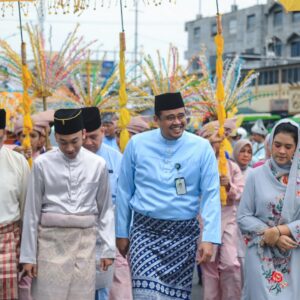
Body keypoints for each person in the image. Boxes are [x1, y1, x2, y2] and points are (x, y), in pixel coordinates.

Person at [116, 92, 221, 299]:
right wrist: (121, 232)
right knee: (146, 295)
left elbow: (211, 194)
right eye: (170, 117)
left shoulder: (201, 148)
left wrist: (208, 238)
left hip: (183, 236)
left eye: (181, 116)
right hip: (145, 233)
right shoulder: (137, 144)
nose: (177, 122)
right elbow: (124, 190)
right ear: (156, 120)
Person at [20, 108, 115, 300]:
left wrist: (108, 249)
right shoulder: (41, 164)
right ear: (56, 138)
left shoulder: (98, 164)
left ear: (83, 134)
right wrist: (28, 257)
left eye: (74, 141)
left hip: (84, 244)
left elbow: (105, 210)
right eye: (63, 142)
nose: (69, 148)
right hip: (49, 244)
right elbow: (31, 212)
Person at [238, 119, 300, 300]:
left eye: (288, 147)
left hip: (294, 254)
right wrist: (270, 235)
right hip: (261, 251)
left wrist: (280, 231)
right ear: (270, 143)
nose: (282, 151)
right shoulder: (255, 176)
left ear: (296, 148)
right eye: (278, 145)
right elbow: (243, 216)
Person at [81, 107, 131, 300]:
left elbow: (124, 198)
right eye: (83, 137)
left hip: (112, 233)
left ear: (102, 130)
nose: (87, 143)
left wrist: (122, 234)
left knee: (116, 289)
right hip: (81, 235)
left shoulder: (116, 159)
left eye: (93, 137)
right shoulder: (70, 158)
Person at [199, 124, 244, 300]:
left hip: (228, 218)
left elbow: (241, 191)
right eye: (211, 141)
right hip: (205, 218)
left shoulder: (231, 167)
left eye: (219, 140)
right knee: (209, 268)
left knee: (231, 264)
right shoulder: (198, 165)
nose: (216, 144)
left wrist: (228, 186)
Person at [0, 108, 30, 300]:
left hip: (8, 241)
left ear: (3, 134)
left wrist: (27, 254)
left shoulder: (18, 162)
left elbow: (27, 211)